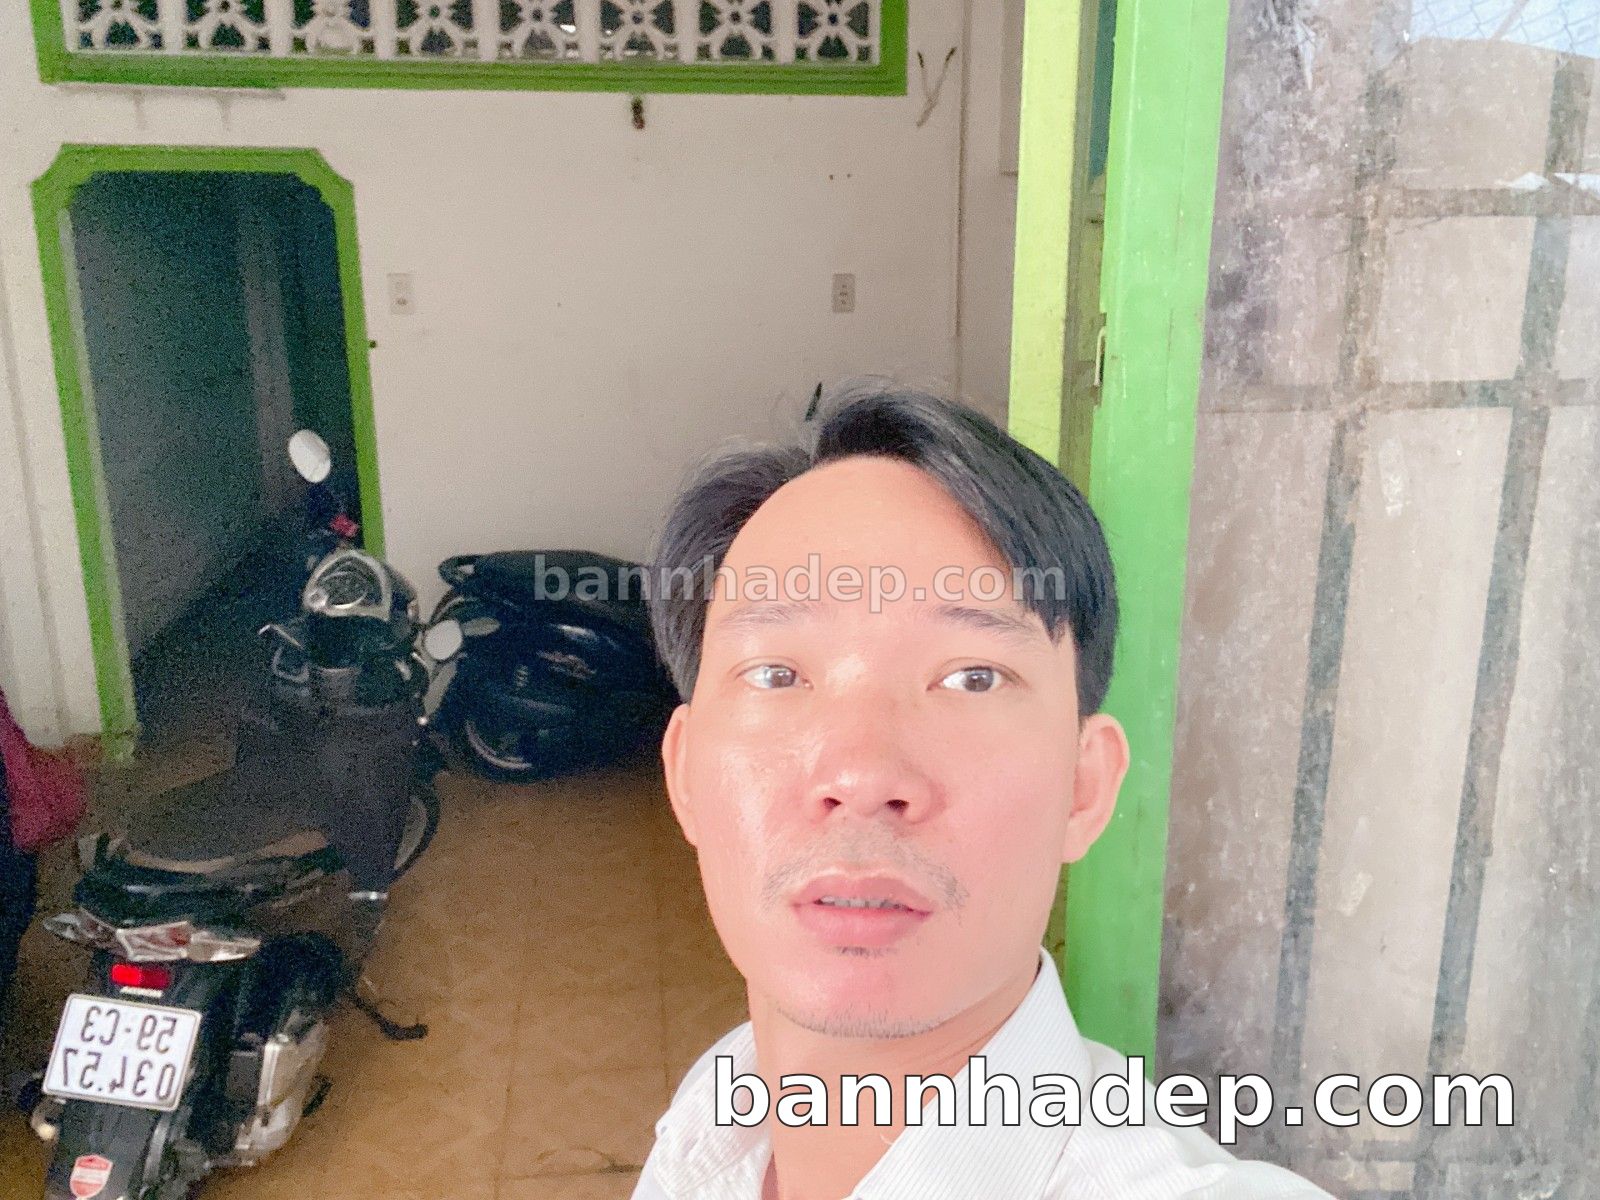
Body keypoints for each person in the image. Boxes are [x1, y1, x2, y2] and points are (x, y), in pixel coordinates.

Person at [633, 385, 1331, 1199]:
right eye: (777, 674)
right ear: (685, 774)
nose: (861, 776)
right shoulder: (715, 1115)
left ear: (1084, 786)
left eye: (972, 677)